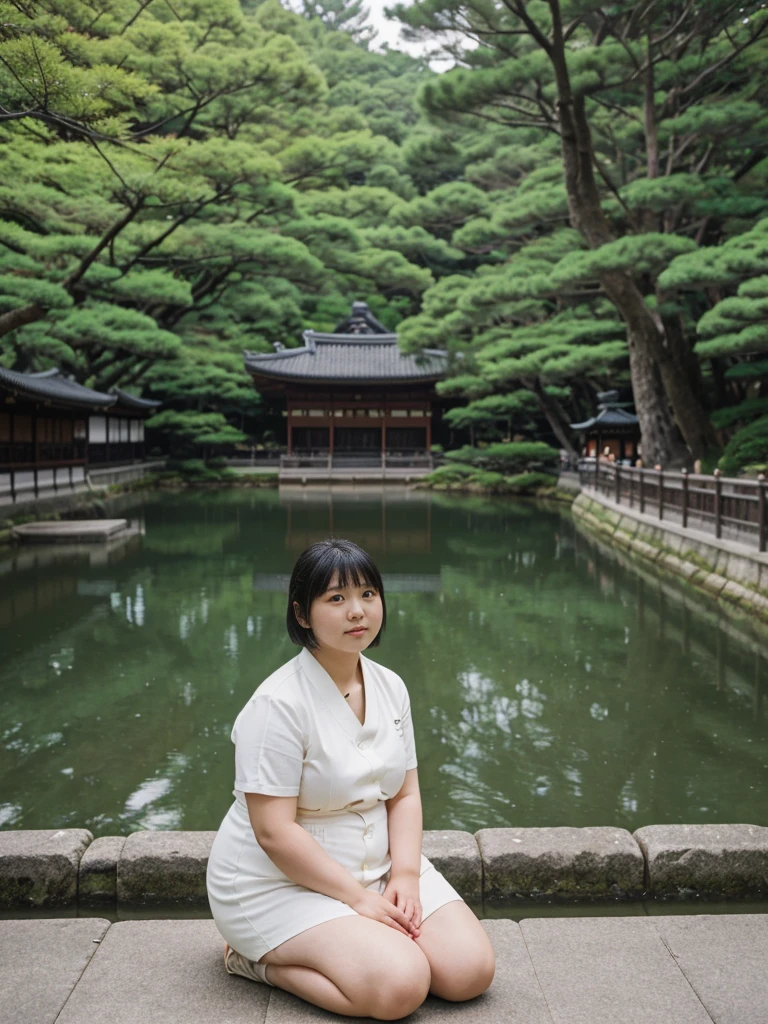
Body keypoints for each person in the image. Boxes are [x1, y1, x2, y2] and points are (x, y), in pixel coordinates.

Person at [206, 539, 495, 1019]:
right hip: (276, 882)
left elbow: (404, 793)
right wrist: (358, 900)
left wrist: (403, 874)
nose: (357, 611)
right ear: (302, 614)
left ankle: (371, 942)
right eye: (336, 599)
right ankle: (252, 961)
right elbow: (272, 831)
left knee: (469, 973)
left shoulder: (390, 685)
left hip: (378, 864)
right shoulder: (277, 705)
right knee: (401, 987)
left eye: (367, 594)